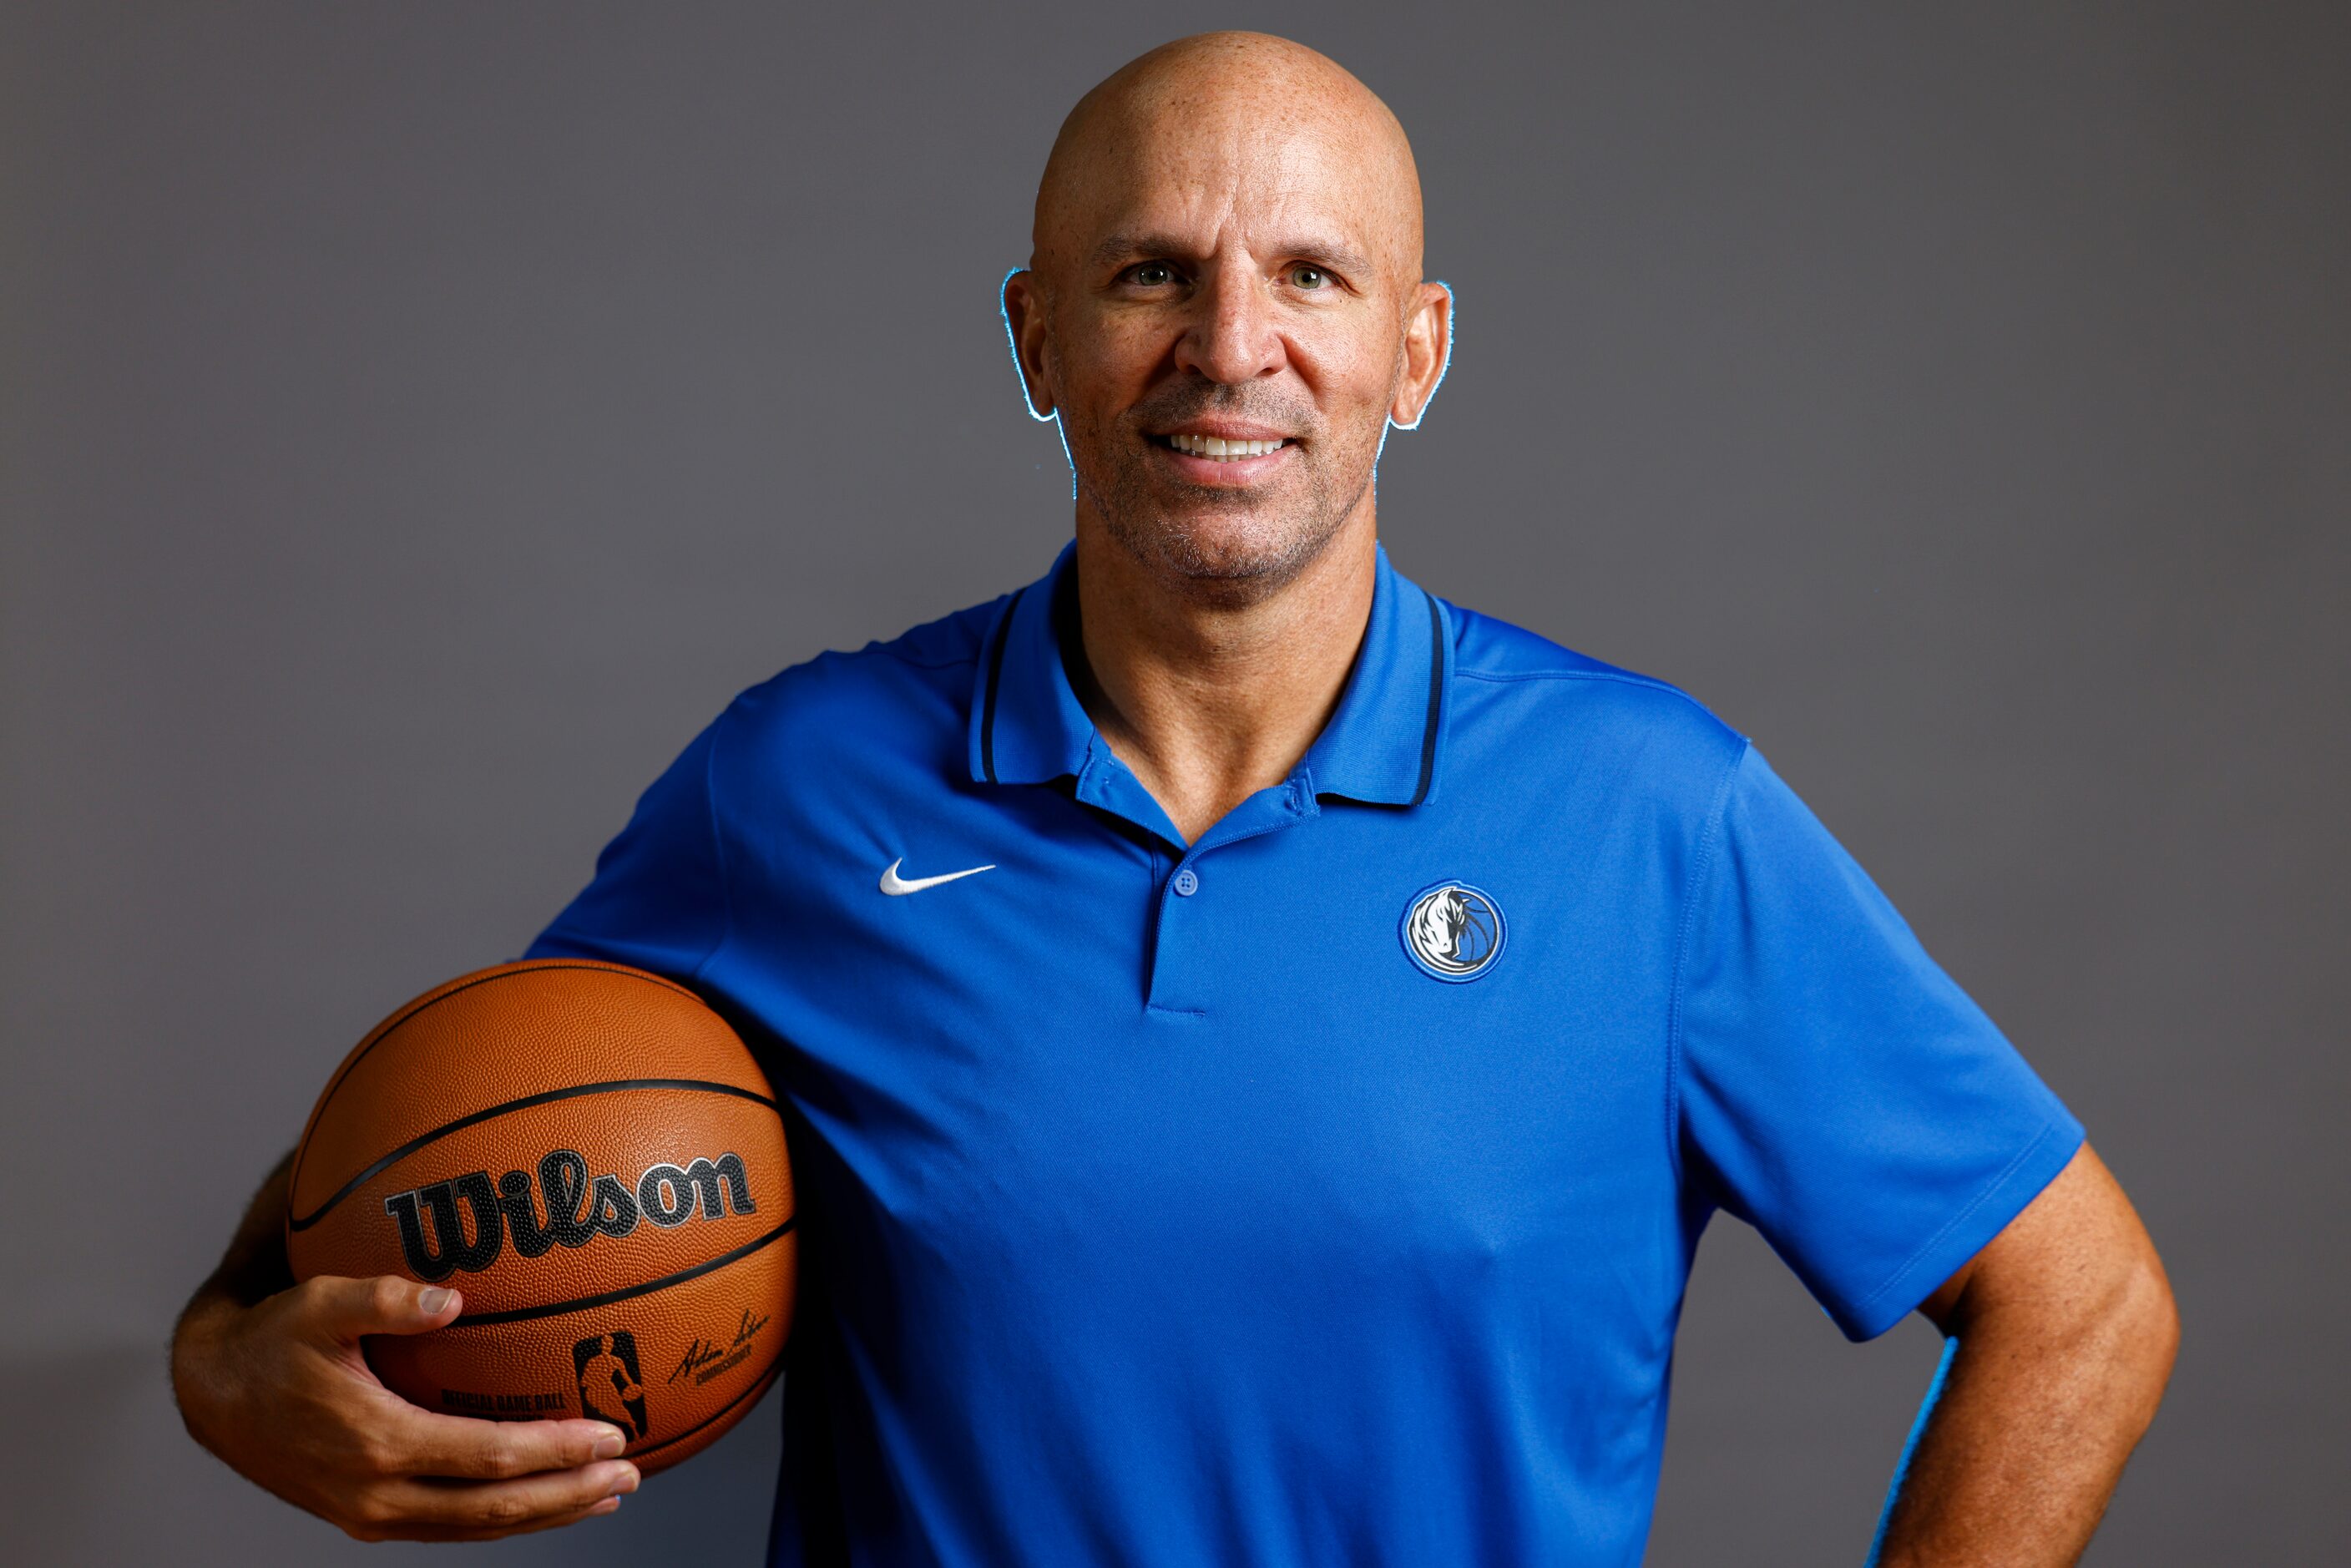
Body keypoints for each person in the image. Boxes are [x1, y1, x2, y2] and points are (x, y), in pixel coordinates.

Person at [170, 31, 2178, 1565]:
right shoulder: (796, 788)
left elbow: (2078, 1305)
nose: (1232, 350)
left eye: (1310, 276)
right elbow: (447, 1148)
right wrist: (226, 1366)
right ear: (1039, 336)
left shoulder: (1650, 813)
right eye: (1151, 272)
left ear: (1416, 351)